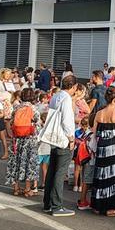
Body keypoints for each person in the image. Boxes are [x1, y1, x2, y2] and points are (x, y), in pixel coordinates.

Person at [43, 75, 78, 217]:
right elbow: (67, 120)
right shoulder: (66, 99)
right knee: (60, 172)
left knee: (52, 170)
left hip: (53, 137)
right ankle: (57, 205)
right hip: (63, 138)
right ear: (74, 87)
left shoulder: (55, 96)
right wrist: (71, 139)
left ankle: (47, 203)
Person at [91, 86, 115, 217]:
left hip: (102, 147)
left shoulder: (99, 113)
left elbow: (94, 133)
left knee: (101, 175)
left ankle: (98, 205)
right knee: (113, 176)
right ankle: (110, 207)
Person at [5, 88, 40, 197]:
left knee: (16, 162)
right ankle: (27, 189)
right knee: (29, 163)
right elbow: (37, 123)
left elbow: (11, 122)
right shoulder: (34, 109)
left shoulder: (16, 108)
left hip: (17, 140)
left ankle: (16, 188)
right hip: (29, 139)